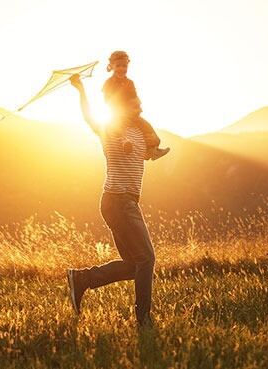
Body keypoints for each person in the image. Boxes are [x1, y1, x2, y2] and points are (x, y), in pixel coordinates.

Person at [66, 53, 159, 329]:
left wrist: (153, 150)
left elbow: (148, 153)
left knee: (134, 264)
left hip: (128, 202)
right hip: (117, 202)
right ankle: (143, 320)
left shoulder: (141, 132)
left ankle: (81, 279)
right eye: (131, 104)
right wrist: (81, 90)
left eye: (137, 104)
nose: (137, 107)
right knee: (147, 259)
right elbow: (89, 116)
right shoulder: (109, 130)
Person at [103, 50, 169, 160]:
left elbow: (134, 98)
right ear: (112, 66)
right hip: (117, 114)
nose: (121, 68)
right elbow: (107, 101)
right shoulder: (109, 83)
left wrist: (137, 108)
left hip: (131, 113)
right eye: (118, 65)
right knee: (117, 126)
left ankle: (152, 150)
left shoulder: (130, 82)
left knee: (148, 129)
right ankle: (125, 142)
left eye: (124, 66)